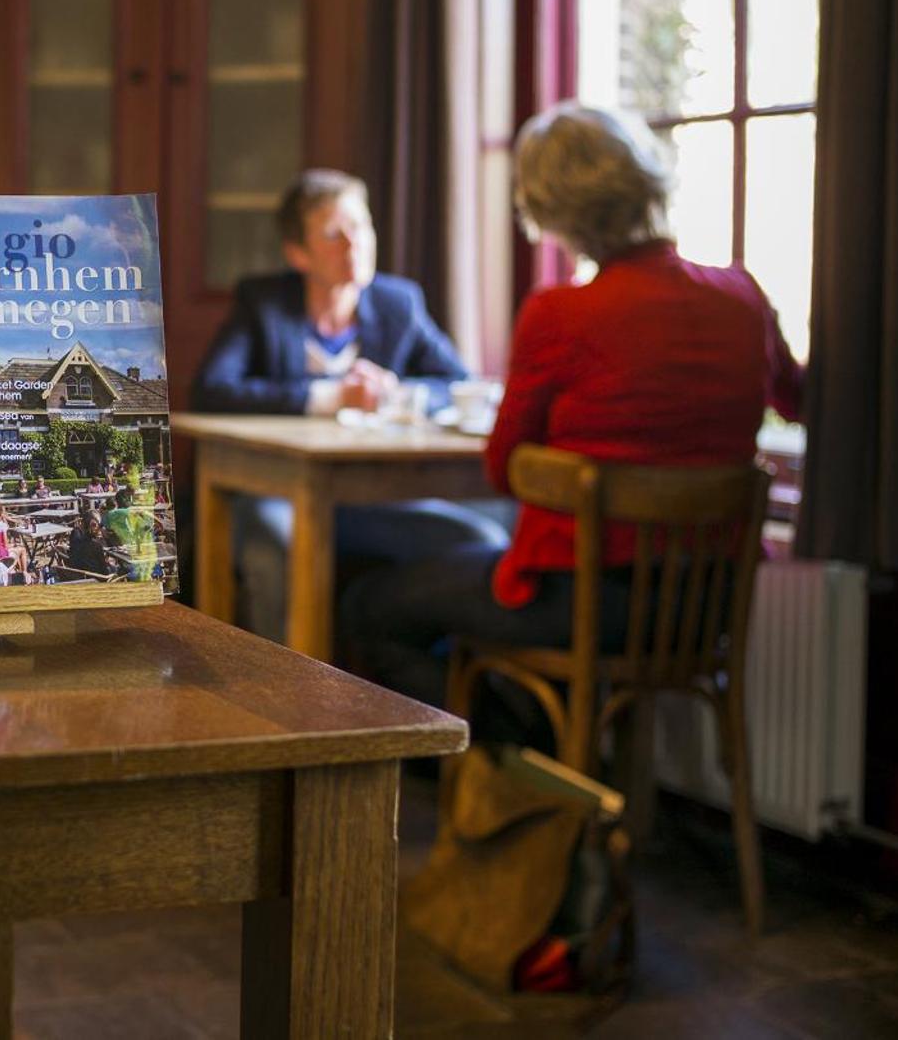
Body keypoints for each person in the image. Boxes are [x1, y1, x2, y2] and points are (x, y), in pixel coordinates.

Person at [338, 103, 805, 745]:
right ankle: (560, 771)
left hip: (588, 600)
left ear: (555, 210)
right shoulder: (743, 296)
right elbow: (799, 400)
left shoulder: (562, 314)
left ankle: (527, 767)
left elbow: (503, 468)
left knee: (371, 609)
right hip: (712, 600)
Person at [189, 169, 509, 642]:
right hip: (276, 493)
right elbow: (211, 390)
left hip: (371, 498)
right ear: (298, 253)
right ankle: (287, 700)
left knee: (481, 540)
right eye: (335, 234)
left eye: (361, 227)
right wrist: (332, 395)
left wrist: (395, 391)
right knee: (279, 544)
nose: (354, 245)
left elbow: (459, 384)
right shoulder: (264, 303)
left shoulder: (399, 303)